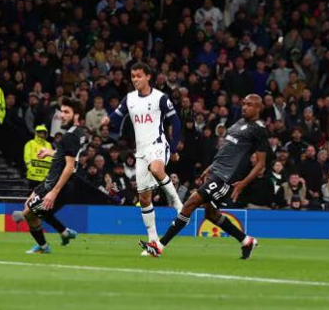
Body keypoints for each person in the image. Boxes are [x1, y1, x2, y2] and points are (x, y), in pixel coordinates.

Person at [142, 94, 266, 259]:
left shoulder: (259, 129)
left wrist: (243, 183)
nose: (244, 107)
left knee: (190, 204)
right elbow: (228, 149)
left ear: (258, 108)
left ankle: (159, 246)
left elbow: (260, 163)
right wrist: (211, 167)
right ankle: (246, 241)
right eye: (244, 103)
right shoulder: (240, 122)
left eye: (249, 104)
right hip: (217, 171)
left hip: (225, 177)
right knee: (211, 214)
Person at [102, 62, 183, 255]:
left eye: (139, 75)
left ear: (148, 77)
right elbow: (117, 116)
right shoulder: (129, 99)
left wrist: (173, 148)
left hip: (158, 144)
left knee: (156, 169)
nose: (135, 79)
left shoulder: (160, 98)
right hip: (141, 152)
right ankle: (153, 242)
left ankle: (177, 203)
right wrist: (107, 120)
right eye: (133, 76)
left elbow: (176, 121)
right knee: (144, 198)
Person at [10, 98, 84, 253]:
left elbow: (70, 166)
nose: (62, 115)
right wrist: (50, 152)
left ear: (76, 115)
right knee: (31, 209)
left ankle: (47, 244)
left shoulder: (70, 136)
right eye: (61, 111)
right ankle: (63, 233)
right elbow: (68, 156)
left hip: (57, 184)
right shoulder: (76, 133)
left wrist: (54, 192)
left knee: (30, 212)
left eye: (66, 112)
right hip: (50, 180)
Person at [23, 125, 53, 192]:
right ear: (36, 133)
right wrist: (31, 169)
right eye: (40, 132)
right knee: (32, 194)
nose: (41, 134)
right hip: (33, 175)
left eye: (43, 133)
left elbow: (51, 158)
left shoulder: (48, 144)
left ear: (46, 134)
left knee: (43, 195)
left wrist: (49, 172)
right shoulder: (30, 143)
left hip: (45, 175)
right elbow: (27, 158)